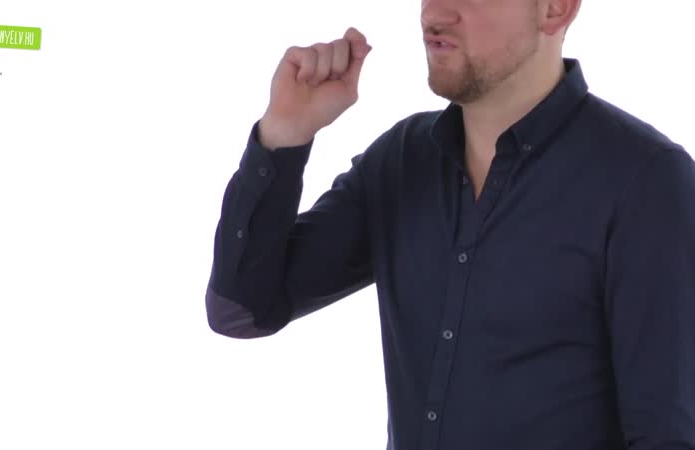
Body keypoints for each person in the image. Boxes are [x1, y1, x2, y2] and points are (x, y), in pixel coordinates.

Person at [205, 0, 695, 448]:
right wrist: (284, 134)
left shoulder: (645, 181)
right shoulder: (400, 161)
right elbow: (242, 311)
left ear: (554, 9)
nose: (434, 13)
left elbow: (667, 434)